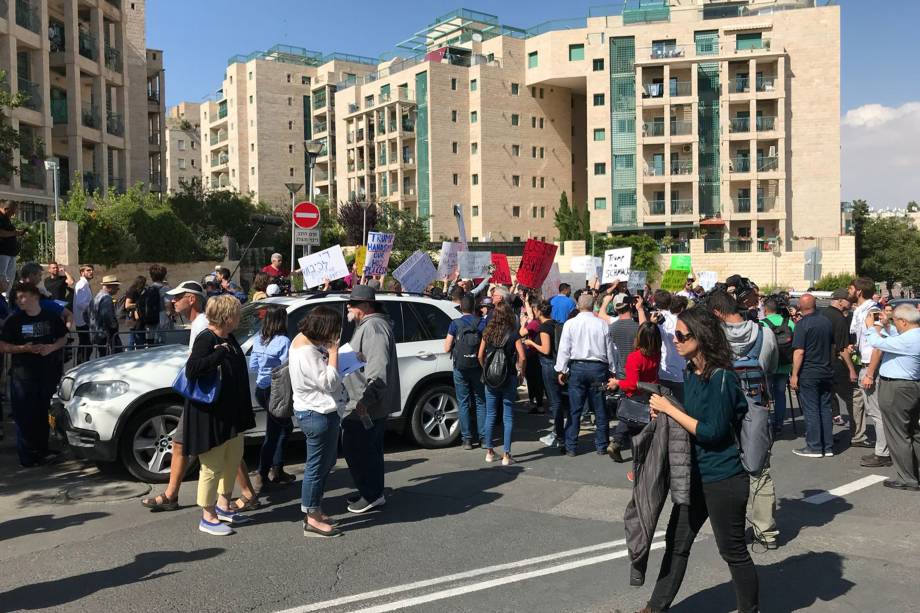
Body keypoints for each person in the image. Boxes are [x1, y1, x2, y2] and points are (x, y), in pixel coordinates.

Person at [642, 307, 759, 613]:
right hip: (694, 475)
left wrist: (671, 411)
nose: (675, 340)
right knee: (677, 542)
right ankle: (656, 607)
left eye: (681, 335)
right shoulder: (689, 373)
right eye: (674, 335)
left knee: (732, 551)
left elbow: (712, 432)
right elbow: (691, 417)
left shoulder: (722, 378)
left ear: (702, 337)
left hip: (724, 477)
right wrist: (666, 410)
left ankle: (750, 609)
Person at [141, 281, 258, 513]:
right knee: (197, 450)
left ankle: (236, 496)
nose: (172, 301)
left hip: (211, 402)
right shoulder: (206, 330)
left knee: (223, 453)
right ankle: (200, 503)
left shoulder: (208, 326)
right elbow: (196, 365)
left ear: (191, 299)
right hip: (205, 401)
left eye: (177, 297)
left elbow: (205, 364)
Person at [709, 290, 780, 550]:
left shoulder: (714, 337)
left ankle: (734, 528)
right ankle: (766, 531)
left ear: (717, 312)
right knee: (760, 468)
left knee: (728, 468)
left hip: (723, 406)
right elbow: (770, 367)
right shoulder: (765, 332)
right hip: (756, 405)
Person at [183, 295, 256, 536]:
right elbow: (192, 370)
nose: (239, 317)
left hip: (231, 414)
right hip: (211, 414)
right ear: (227, 316)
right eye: (236, 313)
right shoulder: (207, 337)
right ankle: (208, 515)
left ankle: (224, 506)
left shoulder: (228, 337)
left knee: (232, 459)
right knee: (212, 466)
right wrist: (217, 356)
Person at [342, 285, 400, 514]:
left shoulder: (374, 327)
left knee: (361, 449)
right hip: (362, 402)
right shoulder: (368, 325)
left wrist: (366, 401)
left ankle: (372, 494)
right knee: (362, 449)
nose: (349, 306)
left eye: (353, 303)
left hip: (365, 405)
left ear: (365, 306)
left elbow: (377, 371)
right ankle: (368, 490)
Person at [290, 306, 347, 537]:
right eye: (333, 331)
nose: (334, 336)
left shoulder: (303, 341)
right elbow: (329, 383)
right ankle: (311, 517)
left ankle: (315, 510)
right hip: (317, 412)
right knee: (317, 466)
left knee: (326, 462)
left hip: (316, 410)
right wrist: (334, 353)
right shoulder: (307, 352)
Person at [0, 282, 68, 467]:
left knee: (42, 415)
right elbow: (3, 346)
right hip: (23, 377)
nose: (19, 301)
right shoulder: (14, 320)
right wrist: (24, 348)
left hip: (46, 374)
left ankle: (42, 451)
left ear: (35, 296)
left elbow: (63, 337)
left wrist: (51, 347)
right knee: (24, 417)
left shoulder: (50, 316)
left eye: (23, 297)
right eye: (17, 298)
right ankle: (28, 457)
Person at [555, 293, 617, 457]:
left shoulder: (571, 323)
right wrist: (613, 369)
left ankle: (571, 446)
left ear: (578, 306)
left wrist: (561, 369)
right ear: (592, 306)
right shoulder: (602, 324)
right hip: (598, 368)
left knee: (575, 409)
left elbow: (564, 348)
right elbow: (609, 348)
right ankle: (602, 445)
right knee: (600, 408)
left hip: (578, 367)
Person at [865, 304, 920, 490]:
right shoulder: (912, 336)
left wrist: (872, 327)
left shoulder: (909, 340)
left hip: (897, 387)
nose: (895, 324)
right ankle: (914, 472)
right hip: (910, 385)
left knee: (897, 434)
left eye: (896, 321)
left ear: (904, 321)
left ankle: (907, 478)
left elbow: (877, 342)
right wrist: (888, 327)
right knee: (913, 432)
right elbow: (894, 339)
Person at [248, 306, 293, 490]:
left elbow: (253, 366)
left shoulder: (259, 339)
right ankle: (264, 471)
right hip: (276, 391)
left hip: (261, 389)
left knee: (282, 428)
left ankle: (275, 469)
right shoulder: (283, 340)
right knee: (276, 432)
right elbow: (287, 366)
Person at [849, 276, 891, 468]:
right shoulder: (863, 311)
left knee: (876, 413)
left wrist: (870, 373)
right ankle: (882, 451)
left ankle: (883, 453)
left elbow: (878, 345)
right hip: (866, 364)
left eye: (850, 289)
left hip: (871, 367)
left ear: (858, 291)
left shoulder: (872, 311)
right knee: (875, 412)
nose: (849, 292)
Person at [478, 301, 526, 465]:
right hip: (508, 376)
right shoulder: (513, 333)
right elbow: (522, 356)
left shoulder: (488, 332)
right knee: (508, 415)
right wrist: (521, 372)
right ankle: (506, 454)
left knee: (490, 414)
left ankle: (490, 452)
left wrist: (485, 368)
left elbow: (479, 355)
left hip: (490, 378)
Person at [607, 322, 660, 463]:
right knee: (636, 428)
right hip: (649, 395)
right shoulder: (656, 354)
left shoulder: (635, 357)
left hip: (635, 396)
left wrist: (617, 382)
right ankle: (618, 444)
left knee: (631, 426)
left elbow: (632, 384)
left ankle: (626, 451)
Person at [790, 294, 836, 458]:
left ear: (801, 307)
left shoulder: (803, 324)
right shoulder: (826, 322)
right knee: (825, 408)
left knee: (811, 410)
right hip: (826, 370)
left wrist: (794, 375)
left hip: (809, 371)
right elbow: (832, 346)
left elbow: (799, 351)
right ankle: (828, 445)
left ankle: (815, 446)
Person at [444, 293, 487, 450]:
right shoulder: (482, 323)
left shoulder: (455, 324)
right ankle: (483, 438)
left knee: (463, 402)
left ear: (461, 307)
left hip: (460, 367)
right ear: (474, 306)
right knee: (480, 402)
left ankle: (467, 439)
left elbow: (447, 347)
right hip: (477, 366)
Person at [524, 300, 567, 451]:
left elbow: (546, 349)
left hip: (549, 365)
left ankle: (560, 435)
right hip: (557, 364)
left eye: (535, 310)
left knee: (554, 402)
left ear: (540, 312)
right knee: (557, 400)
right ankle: (559, 431)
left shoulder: (544, 327)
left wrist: (531, 343)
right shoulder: (555, 323)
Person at [821, 289, 861, 434]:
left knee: (825, 401)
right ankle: (857, 433)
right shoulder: (839, 319)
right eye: (849, 301)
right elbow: (843, 348)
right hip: (836, 364)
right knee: (853, 398)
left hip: (821, 364)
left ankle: (826, 435)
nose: (851, 304)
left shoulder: (821, 315)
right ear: (840, 301)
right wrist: (851, 369)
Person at [640, 291, 687, 402]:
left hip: (664, 373)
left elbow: (644, 335)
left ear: (655, 303)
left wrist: (650, 322)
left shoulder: (658, 320)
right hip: (679, 373)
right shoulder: (682, 321)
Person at [761, 296, 795, 434]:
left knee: (766, 395)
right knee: (780, 394)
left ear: (765, 309)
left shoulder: (762, 323)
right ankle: (779, 424)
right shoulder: (790, 323)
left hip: (769, 365)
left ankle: (768, 423)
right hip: (785, 364)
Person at [520, 299, 545, 413]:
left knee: (533, 380)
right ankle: (537, 403)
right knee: (537, 380)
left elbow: (521, 333)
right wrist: (525, 301)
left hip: (533, 354)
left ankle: (536, 403)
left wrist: (522, 324)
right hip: (537, 355)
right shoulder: (539, 322)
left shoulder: (534, 323)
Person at [91, 275, 122, 356]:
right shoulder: (106, 299)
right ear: (110, 287)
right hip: (106, 335)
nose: (118, 289)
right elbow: (108, 318)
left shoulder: (97, 297)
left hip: (99, 333)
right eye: (116, 286)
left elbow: (86, 314)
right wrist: (114, 326)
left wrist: (94, 325)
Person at [73, 264, 95, 363]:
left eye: (92, 270)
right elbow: (81, 304)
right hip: (83, 321)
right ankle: (81, 366)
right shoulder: (82, 284)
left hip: (84, 320)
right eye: (88, 270)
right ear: (82, 273)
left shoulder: (84, 284)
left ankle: (81, 365)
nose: (91, 272)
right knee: (86, 346)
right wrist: (94, 307)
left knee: (85, 346)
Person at [0, 200, 25, 287]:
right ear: (6, 209)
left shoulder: (6, 218)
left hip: (11, 253)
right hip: (3, 253)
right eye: (12, 212)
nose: (13, 214)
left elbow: (7, 231)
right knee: (2, 277)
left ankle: (6, 297)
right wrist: (14, 233)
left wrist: (16, 232)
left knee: (10, 278)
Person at [124, 276, 147, 349]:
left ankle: (133, 353)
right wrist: (139, 304)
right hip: (133, 318)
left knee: (134, 337)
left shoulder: (139, 290)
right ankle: (134, 354)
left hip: (136, 318)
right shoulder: (132, 291)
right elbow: (127, 305)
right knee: (135, 338)